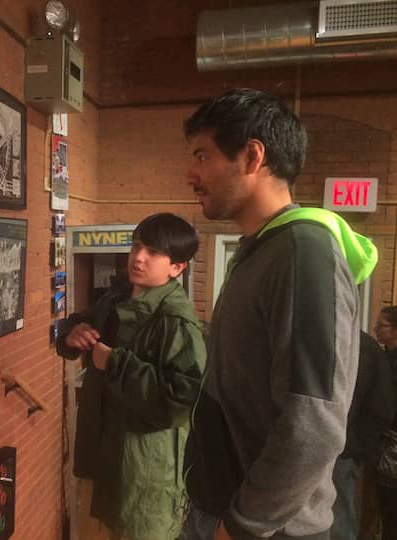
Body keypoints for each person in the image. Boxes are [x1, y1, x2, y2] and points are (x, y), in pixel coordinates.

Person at [180, 88, 378, 540]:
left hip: (266, 528)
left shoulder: (303, 252)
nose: (191, 173)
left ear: (252, 156)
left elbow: (314, 422)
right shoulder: (262, 250)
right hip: (226, 509)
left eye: (202, 155)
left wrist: (243, 525)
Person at [57, 212, 206, 539]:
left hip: (143, 475)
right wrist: (71, 334)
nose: (139, 257)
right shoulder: (115, 299)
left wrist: (115, 364)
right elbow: (78, 323)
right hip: (98, 457)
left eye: (153, 252)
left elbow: (182, 399)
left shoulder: (177, 322)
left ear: (177, 268)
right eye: (137, 246)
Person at [330, 331, 394, 540]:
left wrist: (356, 444)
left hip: (344, 447)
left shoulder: (360, 347)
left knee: (340, 515)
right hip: (341, 444)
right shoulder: (367, 347)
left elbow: (383, 407)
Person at [373, 305, 397, 540]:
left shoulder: (387, 363)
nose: (375, 329)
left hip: (392, 443)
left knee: (389, 506)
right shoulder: (384, 357)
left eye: (382, 326)